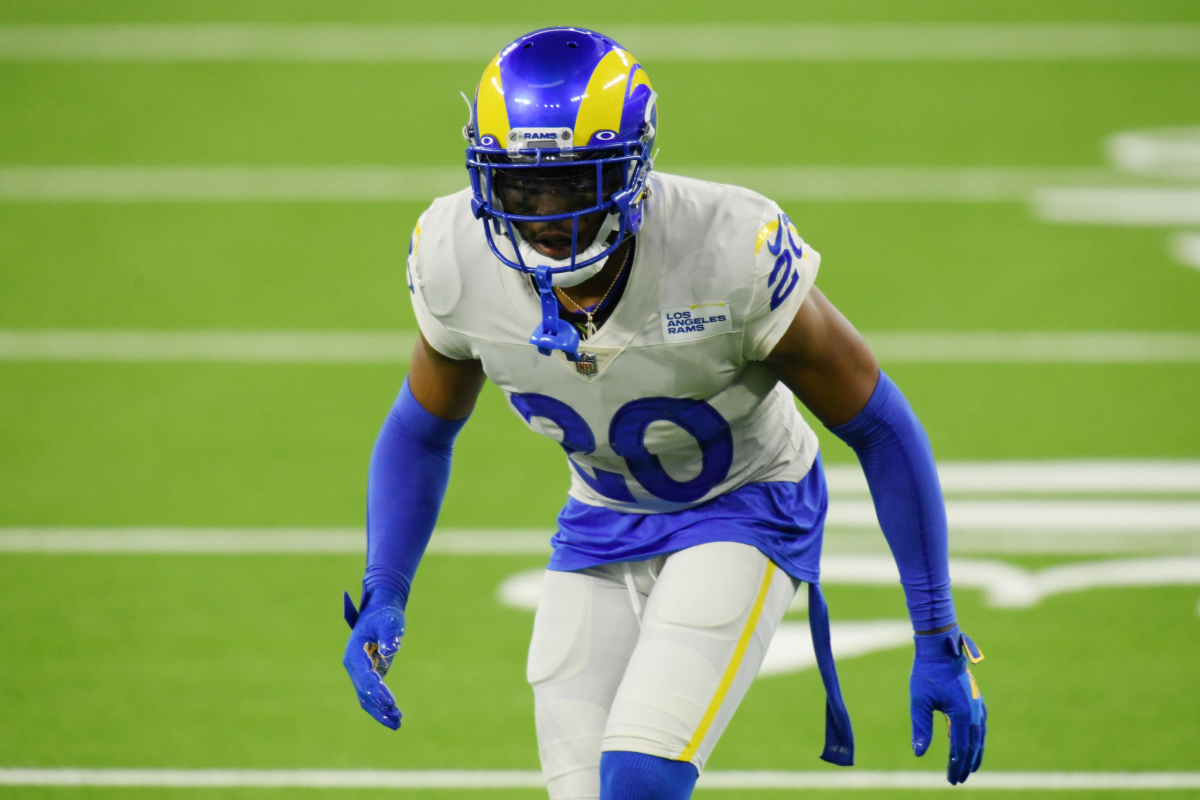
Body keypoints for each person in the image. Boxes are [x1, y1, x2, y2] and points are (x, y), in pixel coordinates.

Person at [342, 26, 986, 800]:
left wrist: (936, 629)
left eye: (575, 185)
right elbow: (420, 430)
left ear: (632, 168)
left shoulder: (726, 251)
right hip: (602, 515)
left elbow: (879, 425)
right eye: (521, 187)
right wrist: (386, 586)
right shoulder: (454, 255)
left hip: (746, 505)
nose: (546, 215)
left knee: (640, 779)